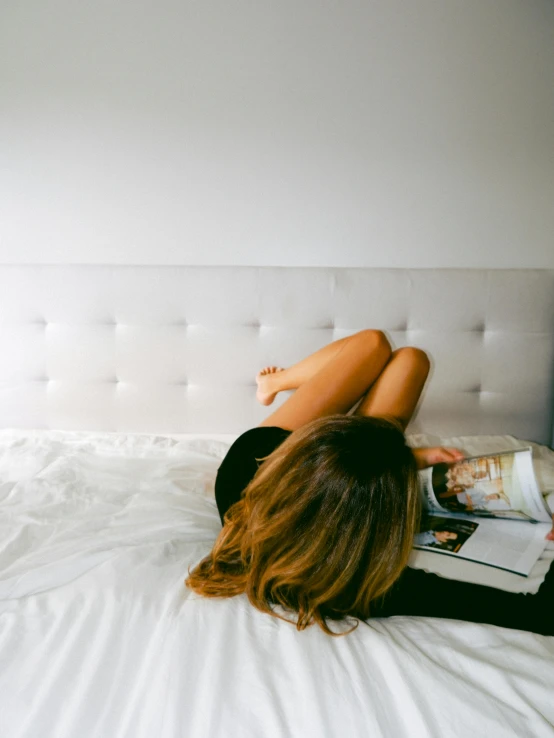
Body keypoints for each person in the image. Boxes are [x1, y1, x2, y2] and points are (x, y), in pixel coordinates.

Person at [186, 330, 554, 636]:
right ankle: (286, 391)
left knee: (391, 350)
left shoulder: (253, 469)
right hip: (294, 460)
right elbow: (538, 615)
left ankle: (275, 383)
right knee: (397, 352)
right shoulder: (365, 589)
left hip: (271, 460)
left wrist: (407, 459)